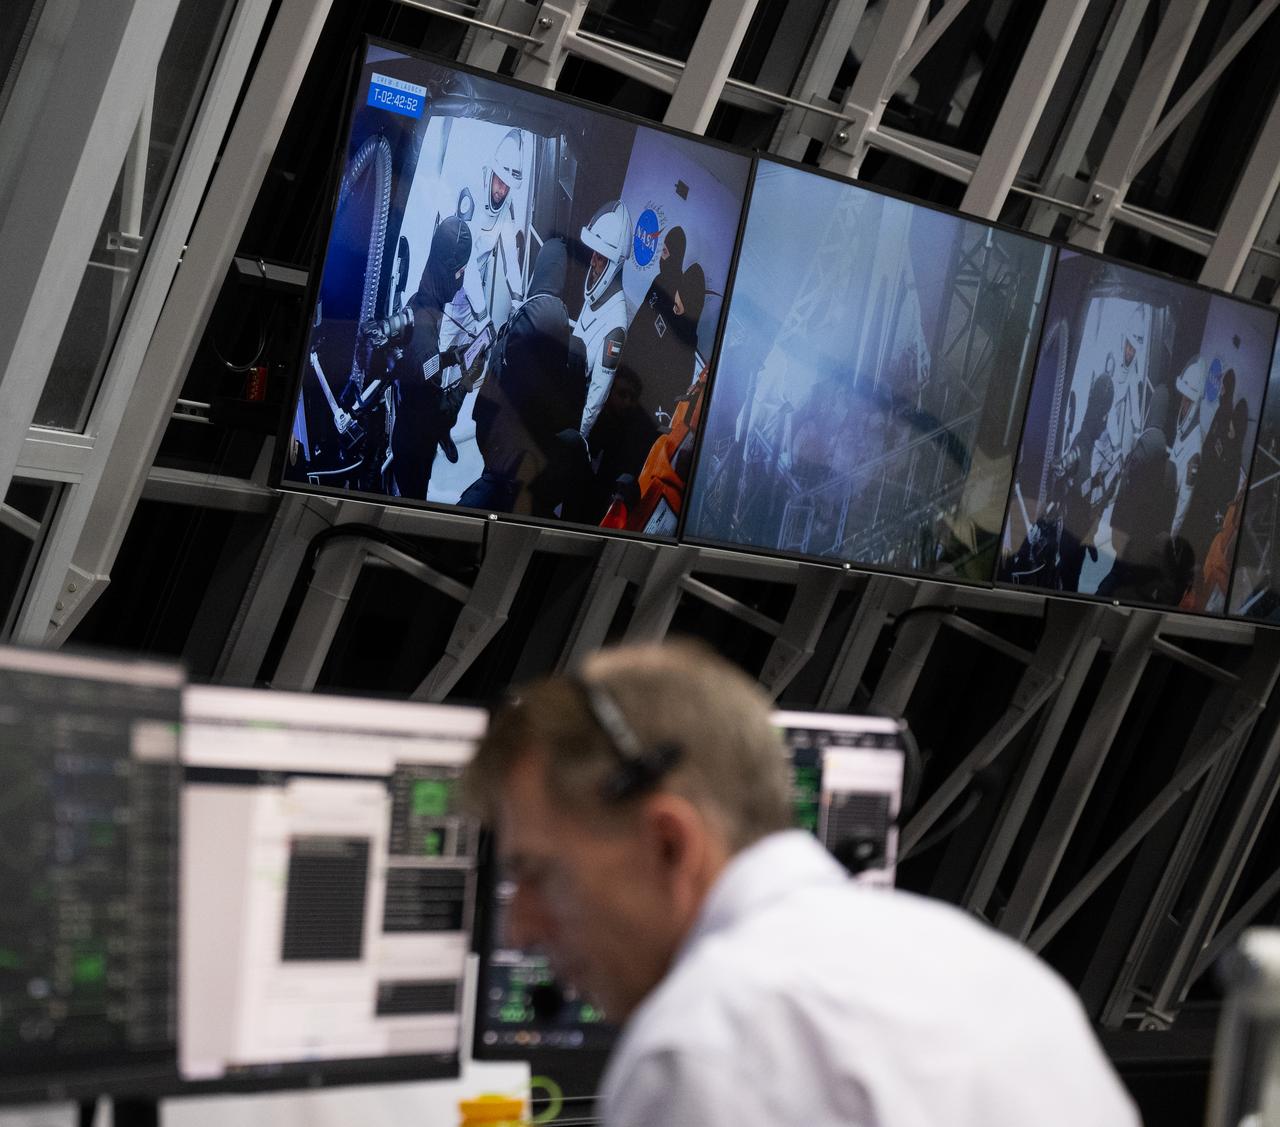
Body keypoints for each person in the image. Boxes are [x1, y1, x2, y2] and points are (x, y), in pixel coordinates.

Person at [463, 642, 1140, 1127]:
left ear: (669, 841)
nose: (520, 925)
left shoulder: (706, 1042)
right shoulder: (995, 969)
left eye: (540, 875)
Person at [461, 237, 588, 515]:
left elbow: (486, 407)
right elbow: (571, 420)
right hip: (538, 476)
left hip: (500, 463)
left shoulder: (512, 332)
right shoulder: (575, 351)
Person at [360, 216, 484, 498]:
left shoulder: (421, 301)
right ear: (449, 271)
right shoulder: (427, 335)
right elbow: (440, 414)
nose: (462, 279)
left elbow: (419, 369)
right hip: (415, 450)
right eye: (460, 272)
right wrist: (467, 380)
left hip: (408, 425)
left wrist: (451, 357)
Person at [574, 200, 633, 440]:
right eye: (594, 255)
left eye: (599, 258)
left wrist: (579, 435)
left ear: (613, 264)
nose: (592, 262)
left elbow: (598, 392)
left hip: (577, 408)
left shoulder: (617, 323)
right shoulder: (595, 292)